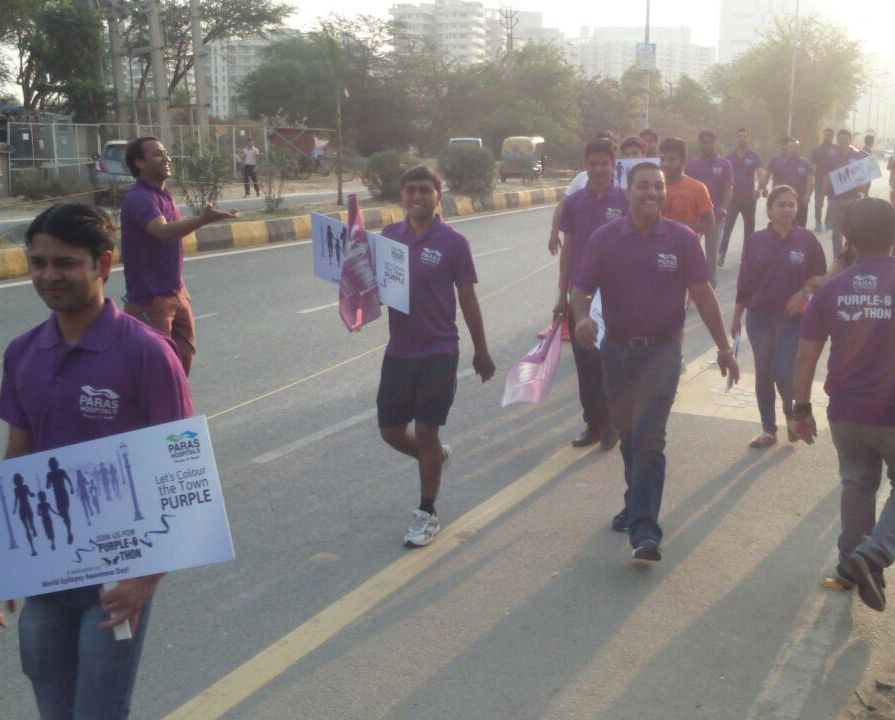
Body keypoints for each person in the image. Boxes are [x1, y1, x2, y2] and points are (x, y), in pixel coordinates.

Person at [0, 203, 193, 717]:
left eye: (65, 263)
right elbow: (18, 457)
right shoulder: (21, 353)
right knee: (52, 705)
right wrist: (8, 562)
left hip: (118, 575)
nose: (48, 276)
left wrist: (146, 578)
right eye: (38, 263)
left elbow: (181, 469)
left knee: (99, 710)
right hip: (47, 570)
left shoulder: (148, 352)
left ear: (103, 265)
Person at [570, 162, 739, 560]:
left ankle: (645, 532)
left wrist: (725, 348)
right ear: (626, 192)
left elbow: (703, 294)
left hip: (662, 352)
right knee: (629, 436)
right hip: (617, 351)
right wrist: (580, 319)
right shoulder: (605, 238)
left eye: (658, 187)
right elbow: (580, 290)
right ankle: (635, 502)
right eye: (643, 186)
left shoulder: (680, 239)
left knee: (649, 438)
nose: (652, 193)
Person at [378, 166, 495, 547]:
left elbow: (468, 299)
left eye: (425, 190)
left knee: (427, 430)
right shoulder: (390, 236)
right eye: (410, 190)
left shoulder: (453, 242)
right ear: (402, 197)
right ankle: (435, 458)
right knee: (391, 431)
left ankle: (426, 512)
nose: (417, 197)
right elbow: (373, 286)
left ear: (437, 195)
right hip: (399, 350)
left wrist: (481, 349)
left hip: (439, 350)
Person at [790, 197, 895, 612]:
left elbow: (805, 356)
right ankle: (874, 554)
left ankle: (850, 566)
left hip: (847, 412)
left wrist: (800, 409)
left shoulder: (833, 288)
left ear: (848, 238)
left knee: (857, 484)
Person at [119, 136, 237, 376]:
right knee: (159, 374)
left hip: (174, 293)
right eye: (157, 154)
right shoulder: (140, 198)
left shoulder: (163, 195)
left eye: (165, 153)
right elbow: (162, 232)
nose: (167, 158)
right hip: (150, 300)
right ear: (139, 163)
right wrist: (203, 220)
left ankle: (178, 413)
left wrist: (180, 289)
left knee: (181, 369)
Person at [730, 185, 827, 448]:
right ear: (769, 210)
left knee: (784, 370)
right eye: (781, 205)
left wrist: (804, 292)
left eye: (791, 204)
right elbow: (745, 281)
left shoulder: (807, 240)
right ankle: (768, 430)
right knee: (763, 372)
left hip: (793, 320)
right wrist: (736, 316)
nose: (787, 209)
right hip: (759, 317)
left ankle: (791, 417)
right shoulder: (756, 241)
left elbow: (822, 276)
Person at [555, 139, 627, 450]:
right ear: (585, 166)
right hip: (581, 294)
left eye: (604, 164)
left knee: (609, 361)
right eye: (592, 164)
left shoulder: (625, 201)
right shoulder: (574, 203)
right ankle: (593, 425)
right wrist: (562, 295)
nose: (598, 169)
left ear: (614, 166)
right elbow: (568, 249)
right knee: (585, 364)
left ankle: (613, 423)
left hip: (615, 295)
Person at [685, 130, 733, 286]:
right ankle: (692, 285)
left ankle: (711, 285)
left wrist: (724, 208)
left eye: (710, 142)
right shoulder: (692, 165)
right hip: (695, 218)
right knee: (691, 253)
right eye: (704, 142)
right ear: (700, 144)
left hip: (716, 217)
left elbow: (728, 188)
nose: (707, 145)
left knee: (711, 256)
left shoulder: (724, 164)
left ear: (715, 143)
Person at [719, 128, 764, 267]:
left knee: (749, 229)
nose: (742, 139)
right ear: (736, 139)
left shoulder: (754, 156)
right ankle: (721, 254)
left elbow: (760, 174)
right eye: (739, 137)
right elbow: (723, 178)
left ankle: (747, 257)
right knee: (727, 227)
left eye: (744, 136)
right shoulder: (729, 158)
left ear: (748, 138)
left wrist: (759, 189)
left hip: (749, 198)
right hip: (733, 199)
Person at [823, 129, 868, 259]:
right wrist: (826, 192)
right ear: (837, 141)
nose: (843, 141)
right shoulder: (831, 158)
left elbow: (863, 178)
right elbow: (826, 178)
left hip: (853, 199)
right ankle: (838, 260)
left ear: (850, 140)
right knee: (836, 233)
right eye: (840, 139)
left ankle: (853, 258)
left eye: (845, 139)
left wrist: (862, 188)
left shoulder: (858, 156)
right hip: (835, 200)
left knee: (854, 232)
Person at [659, 137, 714, 238]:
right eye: (662, 159)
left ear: (683, 161)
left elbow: (709, 223)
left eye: (671, 160)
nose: (665, 164)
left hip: (686, 248)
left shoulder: (697, 188)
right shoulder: (653, 187)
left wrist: (675, 227)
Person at [763, 138, 815, 228]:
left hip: (799, 203)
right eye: (790, 147)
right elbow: (768, 176)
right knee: (779, 227)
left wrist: (808, 195)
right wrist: (764, 188)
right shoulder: (779, 164)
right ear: (787, 149)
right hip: (780, 203)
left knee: (800, 230)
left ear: (799, 150)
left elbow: (811, 181)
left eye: (795, 147)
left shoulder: (806, 165)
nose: (793, 150)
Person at [810, 128, 836, 232]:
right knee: (818, 202)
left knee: (831, 202)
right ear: (823, 136)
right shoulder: (816, 150)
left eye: (829, 135)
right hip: (819, 180)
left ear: (832, 137)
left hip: (834, 180)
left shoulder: (837, 149)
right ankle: (818, 222)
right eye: (826, 135)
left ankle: (828, 221)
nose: (827, 137)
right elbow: (811, 164)